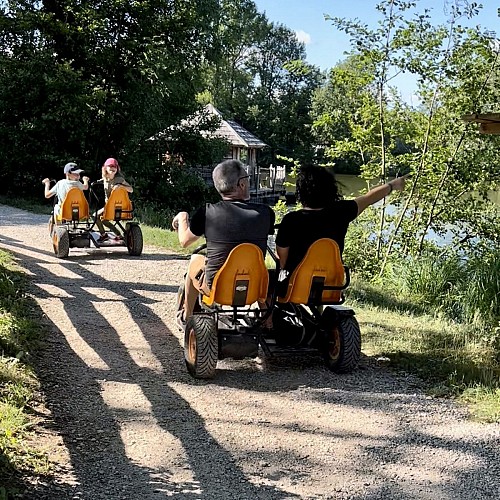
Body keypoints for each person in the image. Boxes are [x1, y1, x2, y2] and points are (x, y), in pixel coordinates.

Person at [172, 159, 275, 327]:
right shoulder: (266, 213)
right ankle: (268, 321)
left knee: (194, 261)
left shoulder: (207, 212)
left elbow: (184, 241)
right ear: (241, 184)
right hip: (256, 288)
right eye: (247, 178)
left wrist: (183, 217)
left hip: (218, 288)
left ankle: (188, 317)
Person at [275, 165, 409, 292]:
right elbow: (369, 198)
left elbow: (282, 260)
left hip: (297, 285)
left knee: (267, 288)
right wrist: (392, 185)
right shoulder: (341, 211)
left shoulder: (291, 220)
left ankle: (268, 317)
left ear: (300, 192)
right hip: (333, 282)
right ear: (330, 189)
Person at [94, 157, 133, 242]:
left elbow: (131, 189)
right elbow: (105, 181)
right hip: (109, 206)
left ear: (117, 169)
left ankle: (104, 235)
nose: (112, 168)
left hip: (114, 206)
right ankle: (118, 235)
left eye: (114, 167)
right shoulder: (105, 177)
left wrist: (121, 186)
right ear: (105, 168)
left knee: (95, 216)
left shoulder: (119, 179)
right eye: (110, 166)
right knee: (104, 219)